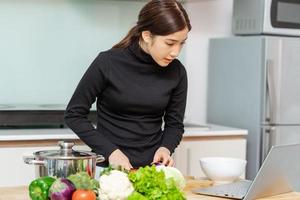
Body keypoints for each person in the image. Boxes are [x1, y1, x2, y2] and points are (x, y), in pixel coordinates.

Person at [64, 0, 191, 171]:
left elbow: (174, 124)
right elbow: (74, 115)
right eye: (170, 43)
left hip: (152, 171)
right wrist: (111, 152)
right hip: (108, 169)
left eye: (182, 43)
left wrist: (165, 148)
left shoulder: (177, 72)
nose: (176, 52)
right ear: (147, 36)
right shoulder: (108, 62)